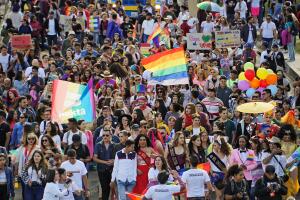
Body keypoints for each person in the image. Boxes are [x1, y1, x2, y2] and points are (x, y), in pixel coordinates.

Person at [93, 128, 115, 200]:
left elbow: (118, 158)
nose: (105, 137)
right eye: (103, 135)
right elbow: (94, 158)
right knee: (104, 187)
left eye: (107, 135)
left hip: (112, 170)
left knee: (112, 187)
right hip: (102, 170)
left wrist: (113, 161)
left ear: (111, 136)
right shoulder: (98, 145)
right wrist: (105, 162)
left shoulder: (114, 145)